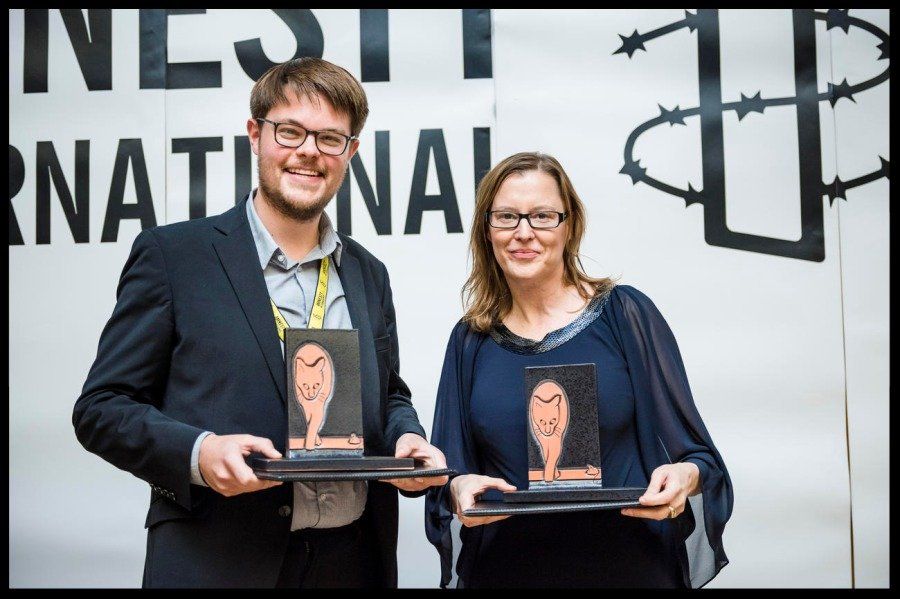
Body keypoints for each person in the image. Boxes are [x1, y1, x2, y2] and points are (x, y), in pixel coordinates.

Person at [73, 57, 447, 588]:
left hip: (353, 563)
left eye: (330, 138)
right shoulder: (175, 257)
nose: (308, 152)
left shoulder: (368, 273)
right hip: (220, 561)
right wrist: (200, 452)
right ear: (256, 134)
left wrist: (406, 437)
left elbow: (388, 394)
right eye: (290, 131)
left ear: (351, 152)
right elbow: (101, 409)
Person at [425, 152, 732, 588]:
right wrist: (455, 488)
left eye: (543, 216)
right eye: (507, 217)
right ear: (486, 230)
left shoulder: (625, 315)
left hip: (628, 569)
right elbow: (448, 473)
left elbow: (701, 460)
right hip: (508, 572)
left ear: (569, 227)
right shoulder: (469, 339)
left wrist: (686, 475)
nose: (524, 233)